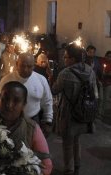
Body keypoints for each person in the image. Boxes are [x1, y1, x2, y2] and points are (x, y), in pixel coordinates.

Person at [51, 43, 98, 175]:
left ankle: (69, 169)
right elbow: (94, 92)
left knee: (67, 143)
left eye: (66, 57)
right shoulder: (90, 71)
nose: (64, 59)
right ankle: (77, 166)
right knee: (77, 141)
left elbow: (55, 90)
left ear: (72, 59)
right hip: (84, 112)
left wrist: (51, 79)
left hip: (69, 114)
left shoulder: (65, 73)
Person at [0, 81, 53, 175]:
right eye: (5, 99)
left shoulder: (31, 129)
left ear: (24, 104)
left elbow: (46, 165)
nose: (9, 105)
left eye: (16, 101)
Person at [0, 52, 53, 135]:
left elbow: (47, 101)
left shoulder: (41, 80)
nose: (25, 69)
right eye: (23, 66)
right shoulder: (7, 79)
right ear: (17, 64)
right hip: (10, 122)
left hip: (33, 119)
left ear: (34, 65)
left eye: (29, 66)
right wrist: (1, 102)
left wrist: (48, 121)